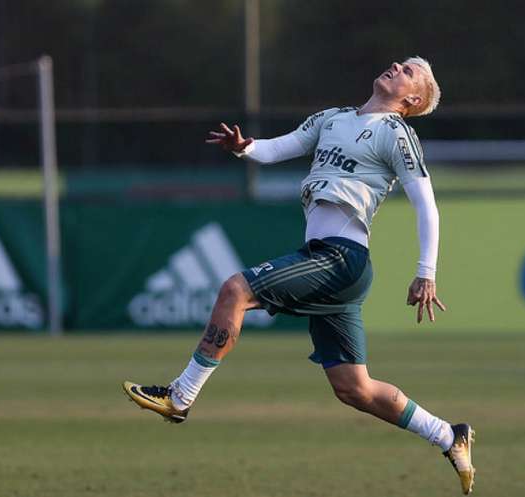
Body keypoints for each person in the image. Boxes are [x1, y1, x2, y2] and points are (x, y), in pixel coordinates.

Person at [122, 56, 475, 494]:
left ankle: (180, 396)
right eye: (400, 62)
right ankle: (448, 434)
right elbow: (279, 148)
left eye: (409, 71)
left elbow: (426, 204)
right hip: (329, 258)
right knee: (353, 388)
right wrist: (245, 148)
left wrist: (426, 271)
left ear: (413, 99)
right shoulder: (333, 118)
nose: (397, 66)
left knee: (236, 290)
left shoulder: (396, 133)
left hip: (342, 258)